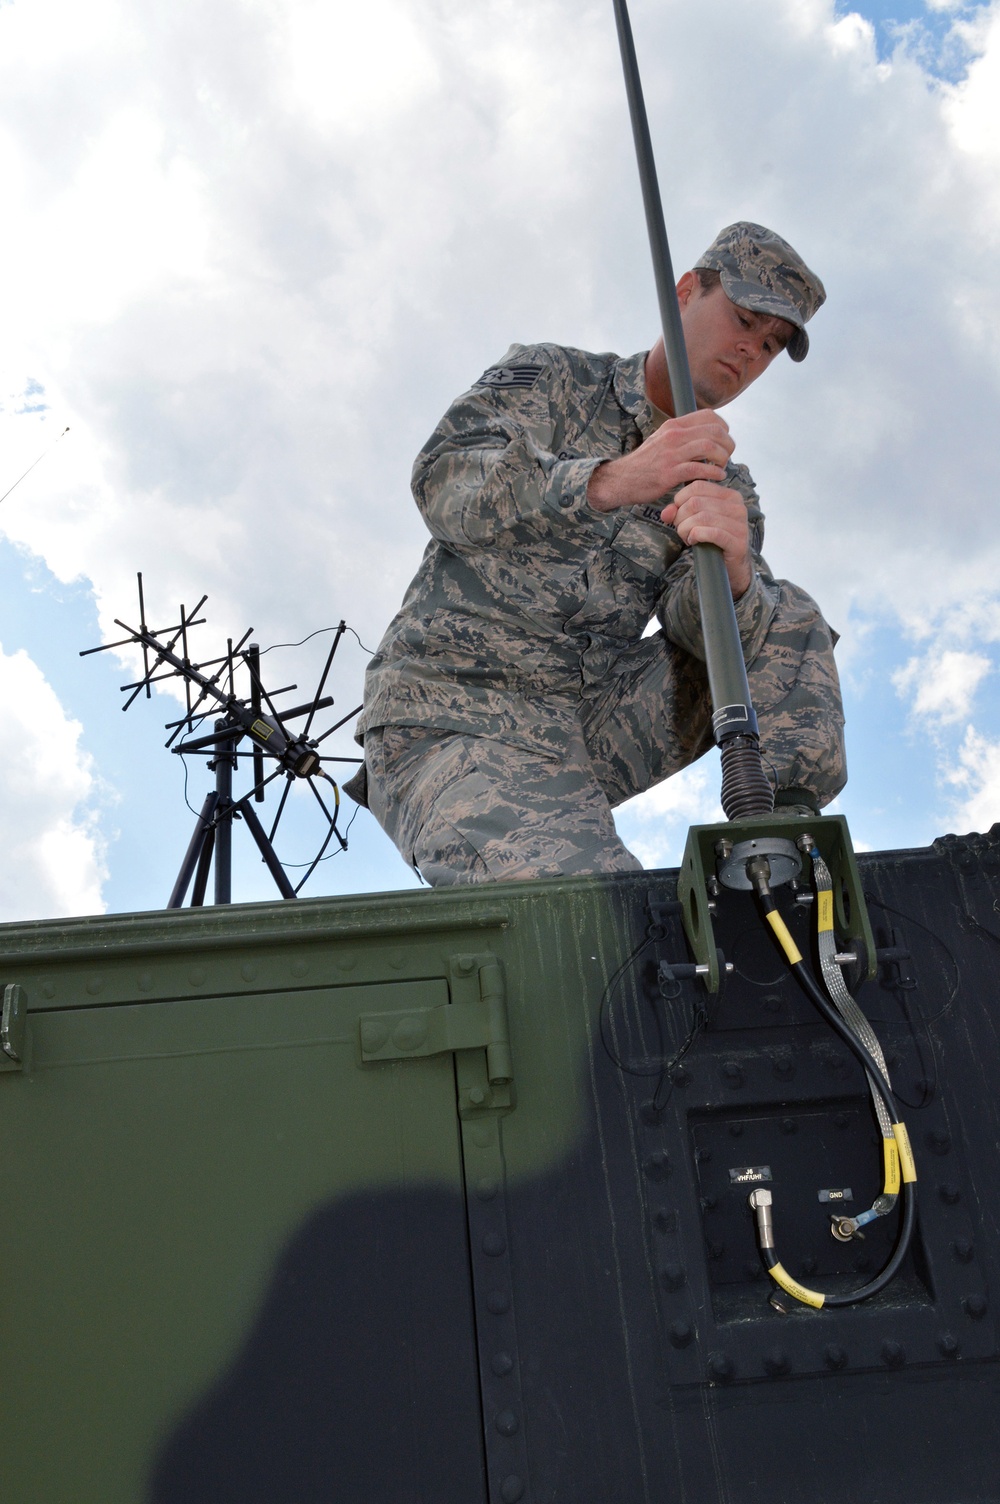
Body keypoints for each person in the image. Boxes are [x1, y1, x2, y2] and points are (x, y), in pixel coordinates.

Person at [351, 222, 846, 884]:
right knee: (604, 917)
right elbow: (444, 482)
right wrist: (610, 480)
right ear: (685, 291)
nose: (748, 351)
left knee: (781, 611)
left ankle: (785, 847)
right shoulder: (555, 378)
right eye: (743, 319)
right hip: (450, 715)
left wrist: (730, 581)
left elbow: (698, 629)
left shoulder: (723, 482)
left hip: (580, 727)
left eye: (769, 345)